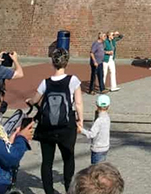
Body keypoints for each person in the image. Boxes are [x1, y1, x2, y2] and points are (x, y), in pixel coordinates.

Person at [28, 48, 84, 194]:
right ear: (67, 62)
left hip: (47, 127)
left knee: (47, 161)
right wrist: (81, 120)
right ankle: (68, 188)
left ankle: (49, 191)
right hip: (67, 126)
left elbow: (35, 100)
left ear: (52, 63)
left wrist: (30, 101)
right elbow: (78, 103)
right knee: (68, 158)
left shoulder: (45, 82)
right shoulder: (73, 80)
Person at [81, 94, 111, 165]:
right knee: (101, 168)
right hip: (105, 147)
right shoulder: (107, 117)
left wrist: (81, 129)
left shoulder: (99, 120)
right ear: (108, 106)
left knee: (95, 170)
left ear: (97, 105)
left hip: (97, 148)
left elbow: (91, 134)